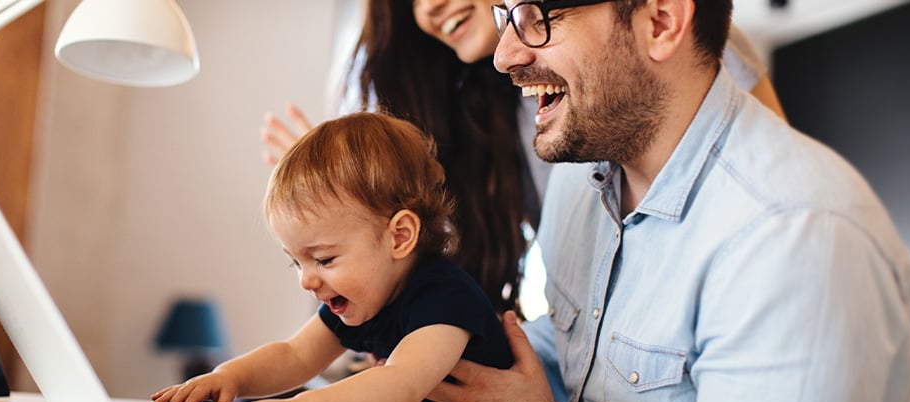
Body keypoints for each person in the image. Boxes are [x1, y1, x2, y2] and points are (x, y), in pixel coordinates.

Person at [385, 1, 910, 402]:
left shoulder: (795, 240)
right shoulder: (582, 181)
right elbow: (585, 349)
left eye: (537, 17)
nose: (505, 56)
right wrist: (440, 375)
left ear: (661, 22)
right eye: (506, 13)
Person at [262, 0, 785, 320]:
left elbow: (774, 182)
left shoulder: (662, 45)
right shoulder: (509, 110)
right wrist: (349, 211)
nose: (429, 8)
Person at [150, 112, 512, 402]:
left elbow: (399, 383)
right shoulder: (365, 297)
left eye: (323, 260)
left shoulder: (445, 298)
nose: (307, 281)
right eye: (296, 262)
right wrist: (229, 377)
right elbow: (295, 355)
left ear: (399, 237)